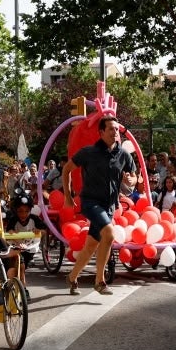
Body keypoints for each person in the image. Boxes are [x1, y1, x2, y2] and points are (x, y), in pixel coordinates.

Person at [62, 117, 138, 295]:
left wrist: (130, 180)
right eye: (111, 129)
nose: (115, 132)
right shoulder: (88, 152)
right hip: (90, 202)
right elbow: (66, 170)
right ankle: (100, 281)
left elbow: (135, 178)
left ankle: (72, 277)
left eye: (117, 130)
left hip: (110, 206)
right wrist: (67, 196)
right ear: (101, 132)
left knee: (90, 246)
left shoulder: (124, 155)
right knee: (109, 233)